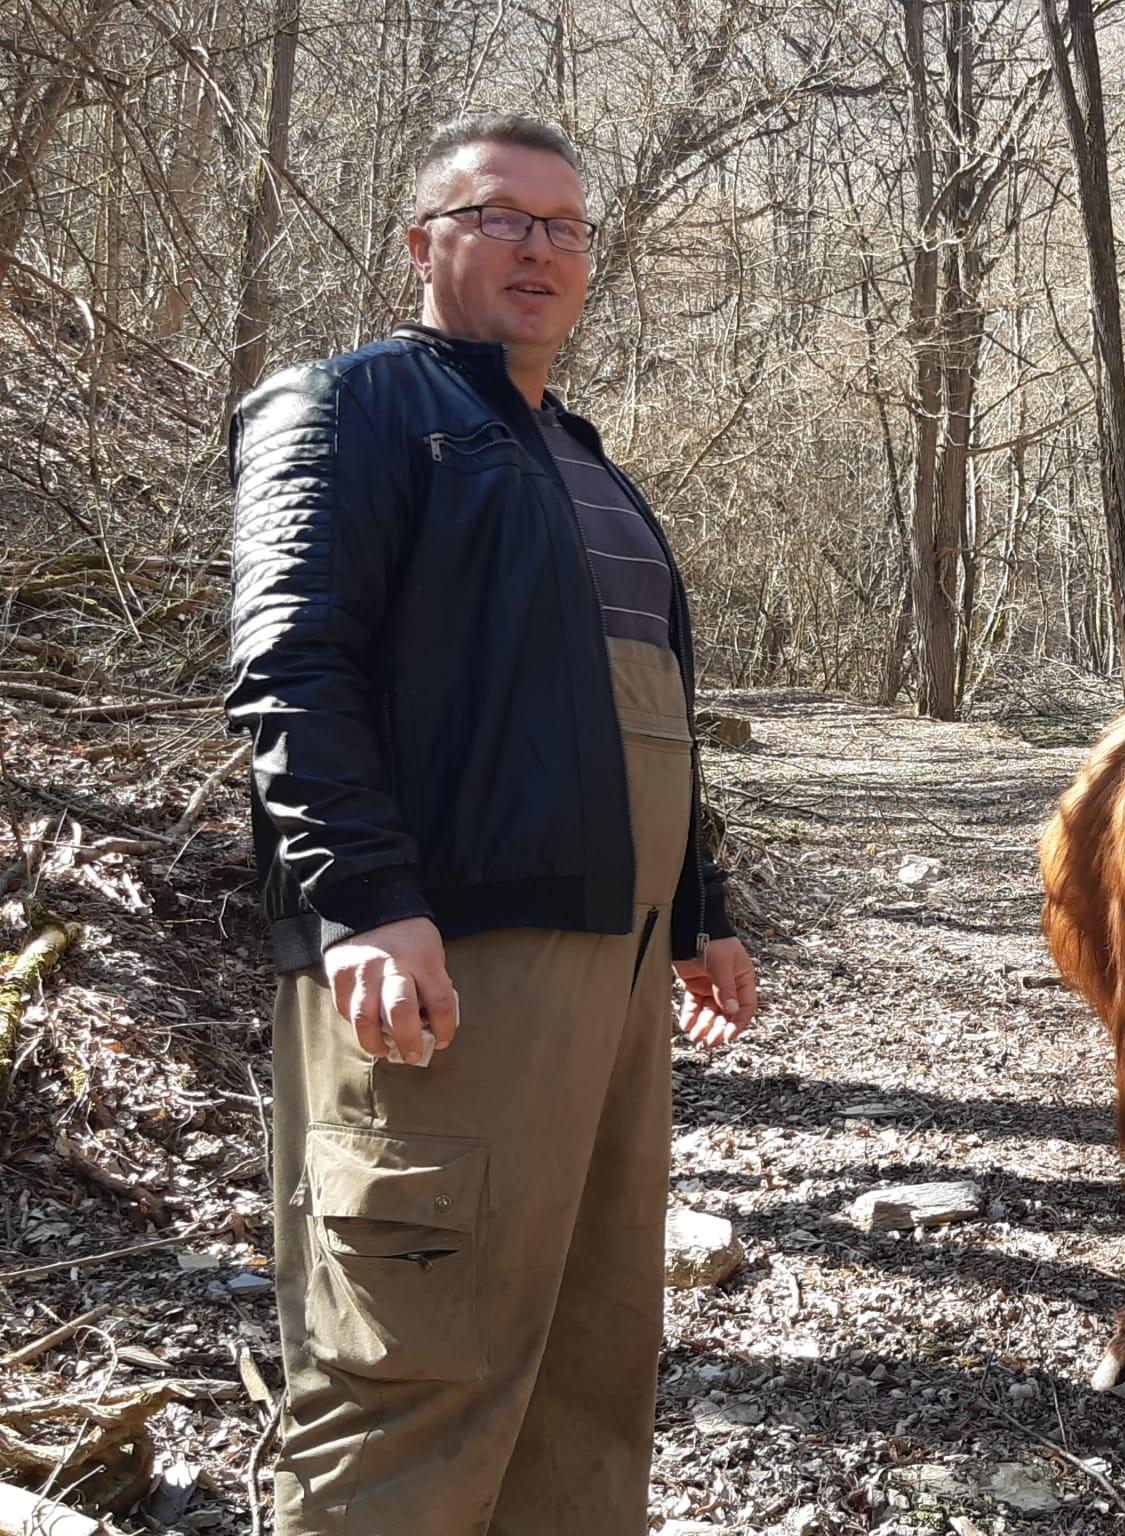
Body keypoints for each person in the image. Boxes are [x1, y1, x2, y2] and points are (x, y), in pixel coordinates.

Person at [225, 113, 758, 1535]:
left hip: (621, 974)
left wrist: (698, 910)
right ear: (422, 243)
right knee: (414, 1362)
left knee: (590, 1362)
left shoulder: (580, 461)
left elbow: (622, 709)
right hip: (449, 964)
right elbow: (291, 668)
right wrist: (363, 898)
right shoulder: (347, 410)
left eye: (565, 225)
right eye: (498, 215)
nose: (539, 246)